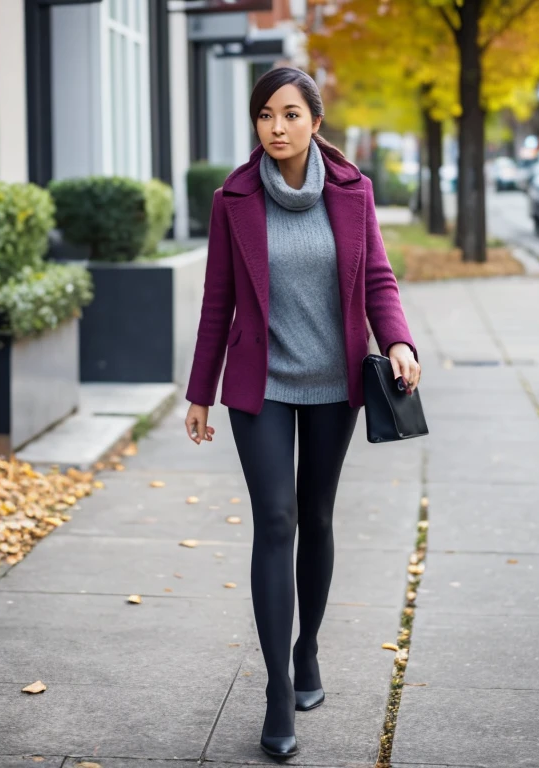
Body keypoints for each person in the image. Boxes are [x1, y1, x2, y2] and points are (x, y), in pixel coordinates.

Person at [182, 67, 421, 759]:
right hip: (260, 386)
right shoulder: (235, 198)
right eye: (264, 115)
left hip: (333, 383)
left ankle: (307, 647)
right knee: (276, 519)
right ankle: (278, 688)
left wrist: (398, 340)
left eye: (289, 114)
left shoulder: (352, 193)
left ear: (316, 121)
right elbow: (215, 301)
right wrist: (201, 392)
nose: (275, 126)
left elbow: (377, 276)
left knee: (316, 515)